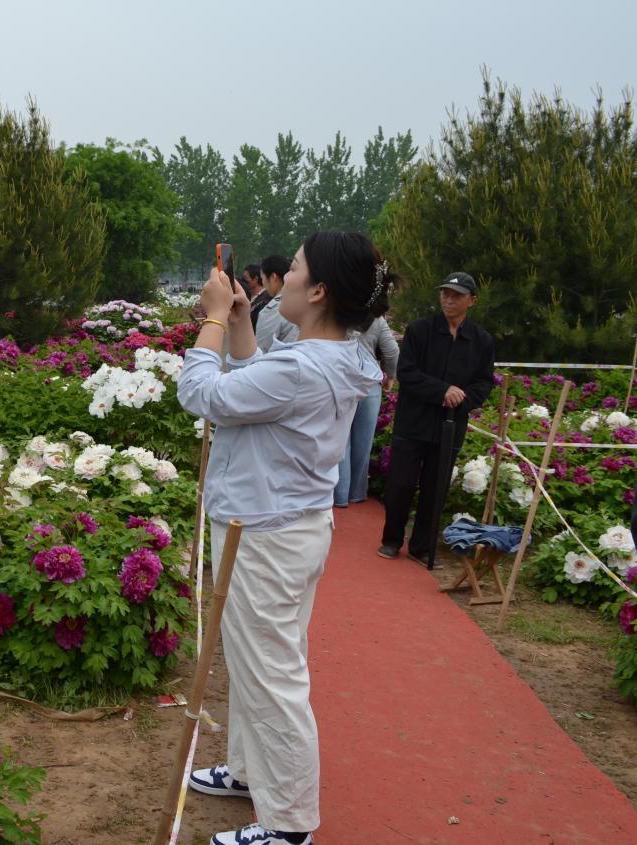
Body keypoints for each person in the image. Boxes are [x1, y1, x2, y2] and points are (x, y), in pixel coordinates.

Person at [177, 232, 389, 845]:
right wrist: (240, 323)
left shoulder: (301, 367)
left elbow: (203, 394)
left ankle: (289, 825)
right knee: (257, 662)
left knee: (271, 675)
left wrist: (212, 320)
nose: (283, 277)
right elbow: (256, 386)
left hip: (264, 535)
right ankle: (250, 773)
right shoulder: (331, 355)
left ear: (318, 290)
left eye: (294, 268)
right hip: (286, 526)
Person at [378, 272, 495, 564]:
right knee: (401, 484)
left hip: (450, 426)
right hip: (413, 422)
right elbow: (407, 372)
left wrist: (462, 398)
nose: (449, 300)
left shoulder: (481, 340)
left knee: (436, 488)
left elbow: (484, 383)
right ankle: (391, 539)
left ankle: (422, 546)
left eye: (457, 295)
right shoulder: (420, 330)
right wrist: (442, 391)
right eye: (445, 293)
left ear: (472, 300)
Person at [334, 315, 399, 507]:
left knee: (341, 439)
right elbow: (392, 351)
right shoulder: (377, 319)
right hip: (370, 383)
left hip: (341, 380)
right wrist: (391, 375)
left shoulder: (338, 311)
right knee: (364, 442)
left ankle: (340, 495)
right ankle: (357, 493)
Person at [252, 254, 295, 344]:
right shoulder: (303, 303)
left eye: (262, 278)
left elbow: (262, 348)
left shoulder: (272, 311)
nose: (263, 284)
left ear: (273, 277)